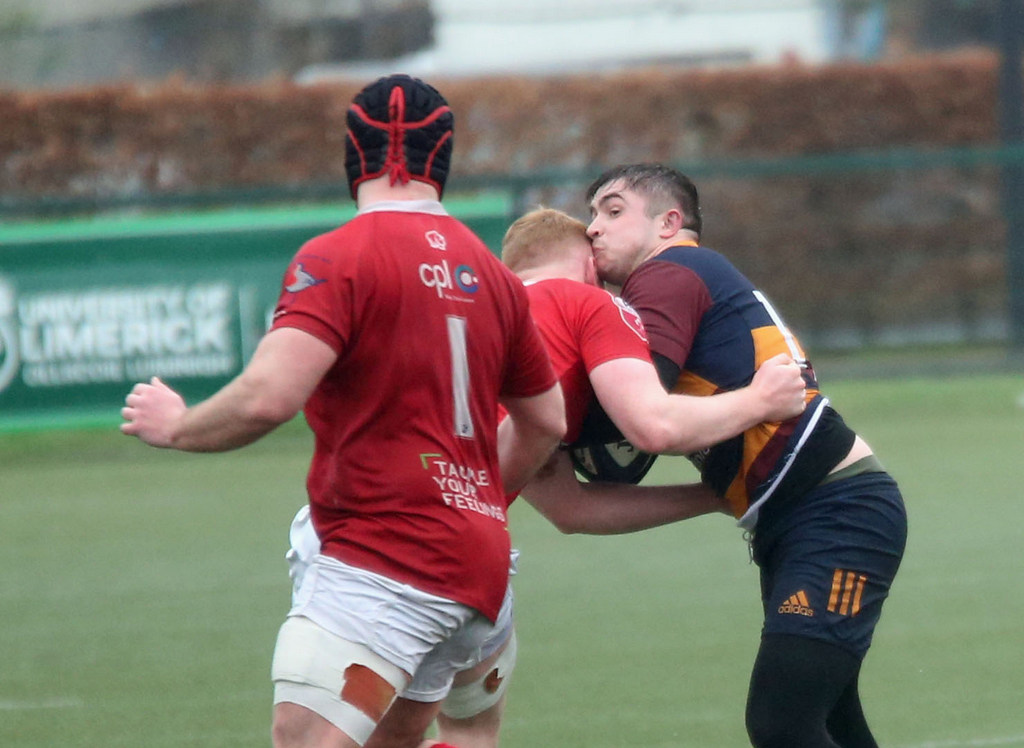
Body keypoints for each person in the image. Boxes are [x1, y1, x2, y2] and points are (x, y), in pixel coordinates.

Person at [119, 74, 567, 748]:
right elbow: (547, 423)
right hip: (478, 575)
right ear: (442, 158)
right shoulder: (493, 276)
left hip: (386, 567)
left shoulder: (339, 257)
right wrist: (475, 500)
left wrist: (178, 426)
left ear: (354, 154)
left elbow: (270, 395)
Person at [296, 207, 810, 747]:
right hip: (419, 550)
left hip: (343, 524)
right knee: (460, 732)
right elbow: (652, 425)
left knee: (391, 735)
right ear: (589, 264)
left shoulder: (471, 315)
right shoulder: (584, 301)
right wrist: (757, 401)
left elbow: (570, 509)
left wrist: (712, 499)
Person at [584, 163, 908, 748]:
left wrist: (537, 405)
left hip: (836, 513)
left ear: (669, 223)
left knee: (781, 724)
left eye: (611, 211)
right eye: (591, 216)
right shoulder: (685, 277)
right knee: (830, 719)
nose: (593, 229)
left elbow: (631, 417)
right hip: (805, 516)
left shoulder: (668, 271)